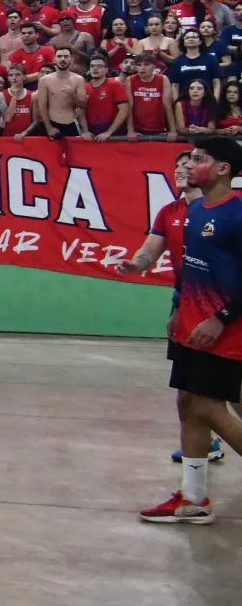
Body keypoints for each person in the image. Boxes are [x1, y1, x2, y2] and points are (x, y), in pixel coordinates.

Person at [117, 138, 242, 525]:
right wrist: (179, 311)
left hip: (224, 330)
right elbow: (190, 271)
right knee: (188, 404)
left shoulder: (237, 214)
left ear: (223, 169)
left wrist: (219, 318)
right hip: (190, 325)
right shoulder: (195, 210)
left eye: (199, 159)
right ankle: (193, 498)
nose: (190, 165)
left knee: (208, 406)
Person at [34, 48, 86, 137]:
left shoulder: (79, 79)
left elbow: (83, 105)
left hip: (71, 123)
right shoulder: (44, 80)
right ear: (54, 59)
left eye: (66, 56)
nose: (62, 59)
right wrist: (49, 127)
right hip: (52, 123)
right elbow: (42, 106)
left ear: (72, 60)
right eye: (59, 56)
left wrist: (72, 94)